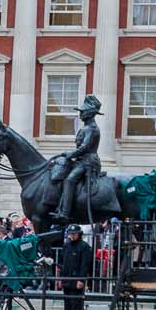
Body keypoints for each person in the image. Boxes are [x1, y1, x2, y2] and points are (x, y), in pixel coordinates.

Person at [53, 94, 105, 227]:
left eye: (83, 112)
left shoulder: (92, 129)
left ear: (90, 113)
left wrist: (70, 154)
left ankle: (65, 213)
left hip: (88, 162)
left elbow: (85, 147)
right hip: (81, 160)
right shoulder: (86, 128)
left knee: (70, 180)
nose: (80, 114)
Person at [56, 223, 92, 310]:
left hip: (77, 279)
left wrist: (81, 279)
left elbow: (85, 264)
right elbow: (63, 263)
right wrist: (61, 278)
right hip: (66, 278)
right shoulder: (66, 245)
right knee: (67, 302)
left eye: (74, 234)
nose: (72, 236)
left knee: (76, 303)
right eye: (71, 234)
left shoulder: (84, 246)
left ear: (79, 234)